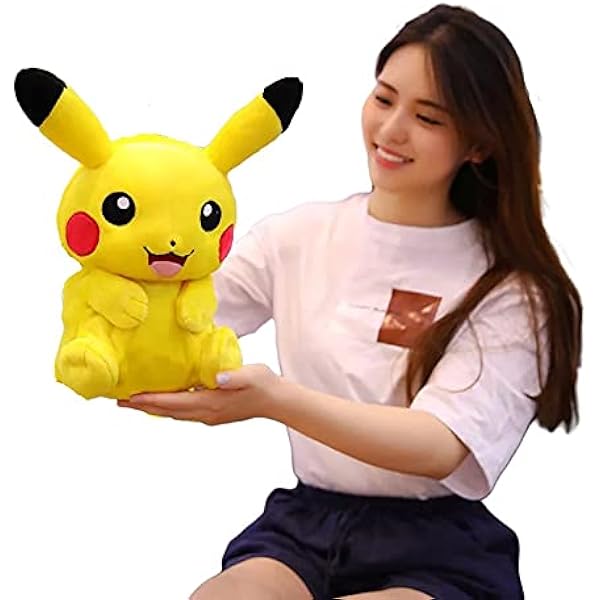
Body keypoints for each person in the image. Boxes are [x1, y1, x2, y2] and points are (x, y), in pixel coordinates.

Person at [117, 4, 582, 599]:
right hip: (305, 525)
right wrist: (121, 251)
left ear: (479, 144)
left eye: (428, 117)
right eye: (384, 98)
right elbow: (182, 315)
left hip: (441, 546)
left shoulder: (511, 290)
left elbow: (438, 445)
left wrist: (276, 401)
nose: (391, 130)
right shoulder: (297, 236)